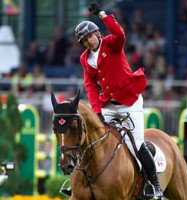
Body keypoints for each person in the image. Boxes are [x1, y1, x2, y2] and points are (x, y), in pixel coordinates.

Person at [61, 2, 163, 199]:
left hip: (129, 103)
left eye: (90, 36)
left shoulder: (111, 43)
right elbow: (90, 85)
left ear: (97, 34)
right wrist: (97, 110)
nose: (89, 41)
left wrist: (101, 14)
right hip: (107, 105)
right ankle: (77, 184)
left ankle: (154, 184)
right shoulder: (85, 58)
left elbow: (120, 33)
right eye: (84, 40)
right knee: (90, 139)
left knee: (137, 144)